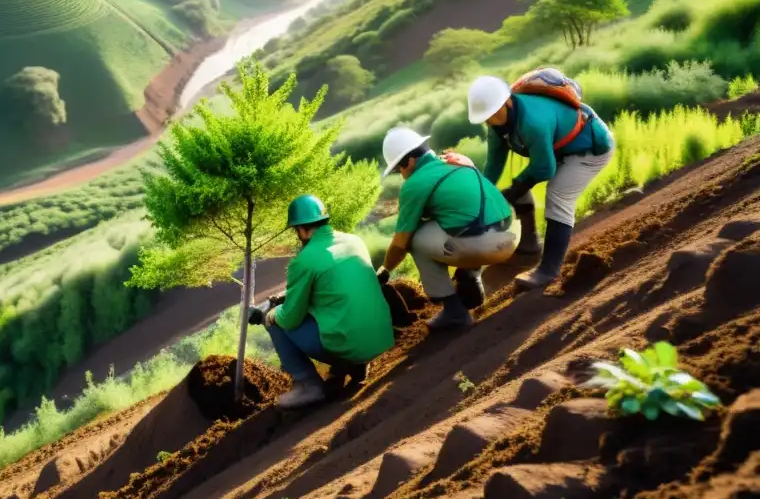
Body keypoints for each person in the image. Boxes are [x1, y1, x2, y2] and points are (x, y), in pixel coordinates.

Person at [467, 70, 615, 290]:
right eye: (485, 117)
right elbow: (494, 164)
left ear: (507, 101)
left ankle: (548, 271)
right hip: (561, 150)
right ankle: (529, 247)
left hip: (590, 148)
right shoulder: (496, 127)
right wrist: (482, 195)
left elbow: (544, 168)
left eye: (493, 113)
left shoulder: (533, 122)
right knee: (515, 185)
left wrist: (512, 193)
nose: (490, 120)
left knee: (558, 195)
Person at [260, 194, 394, 410]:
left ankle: (308, 384)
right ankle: (355, 367)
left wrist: (272, 314)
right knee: (335, 306)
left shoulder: (304, 261)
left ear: (301, 229)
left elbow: (291, 317)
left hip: (349, 344)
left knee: (275, 321)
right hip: (379, 337)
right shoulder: (354, 240)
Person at [377, 127, 518, 330]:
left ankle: (454, 312)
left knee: (414, 237)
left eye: (399, 169)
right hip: (510, 236)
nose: (401, 175)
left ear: (410, 161)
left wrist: (385, 270)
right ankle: (470, 278)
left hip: (481, 247)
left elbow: (400, 243)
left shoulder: (415, 183)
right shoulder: (458, 162)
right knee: (459, 220)